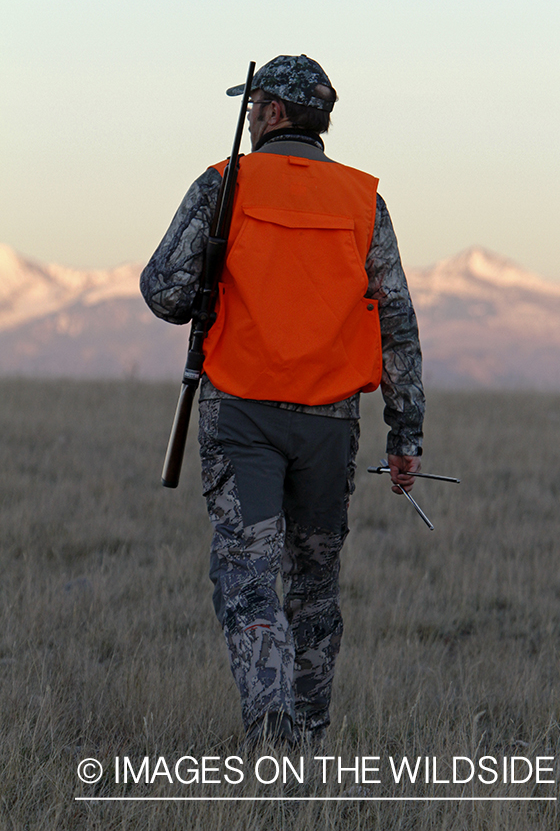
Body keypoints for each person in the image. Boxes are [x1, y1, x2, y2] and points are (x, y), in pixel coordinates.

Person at [140, 54, 425, 748]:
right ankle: (310, 742)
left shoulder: (223, 185)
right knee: (314, 589)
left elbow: (164, 293)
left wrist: (217, 272)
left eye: (253, 105)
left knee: (250, 582)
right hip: (330, 426)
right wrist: (405, 434)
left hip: (240, 414)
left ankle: (271, 741)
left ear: (270, 112)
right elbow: (397, 324)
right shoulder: (364, 201)